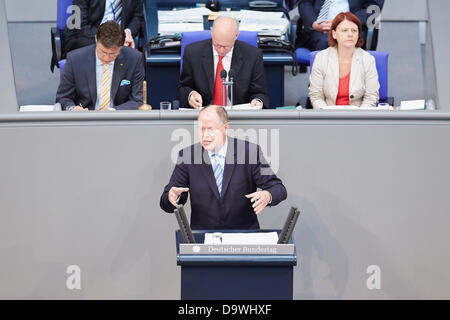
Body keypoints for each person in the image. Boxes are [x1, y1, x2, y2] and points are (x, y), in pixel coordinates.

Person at [160, 106, 287, 230]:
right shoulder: (188, 156)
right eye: (202, 129)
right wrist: (173, 197)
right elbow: (166, 199)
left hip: (243, 237)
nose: (205, 136)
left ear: (225, 128)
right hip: (203, 238)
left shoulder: (250, 152)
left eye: (210, 129)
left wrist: (268, 195)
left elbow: (278, 188)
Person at [178, 16, 269, 109]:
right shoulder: (192, 52)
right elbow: (184, 88)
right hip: (205, 114)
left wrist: (257, 101)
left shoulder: (253, 55)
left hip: (238, 116)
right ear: (212, 32)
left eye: (226, 46)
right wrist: (191, 94)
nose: (221, 51)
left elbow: (259, 93)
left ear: (236, 35)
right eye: (217, 45)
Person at [56, 21, 144, 111]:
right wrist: (73, 108)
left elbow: (137, 101)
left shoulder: (134, 59)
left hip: (118, 119)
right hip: (86, 118)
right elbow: (63, 98)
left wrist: (112, 111)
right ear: (96, 39)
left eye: (112, 54)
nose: (106, 58)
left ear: (121, 47)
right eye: (103, 52)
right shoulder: (75, 59)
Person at [309, 12, 379, 109]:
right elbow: (316, 96)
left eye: (354, 30)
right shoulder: (321, 58)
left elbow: (371, 97)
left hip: (358, 117)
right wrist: (326, 116)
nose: (350, 34)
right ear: (334, 34)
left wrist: (361, 118)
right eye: (344, 30)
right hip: (327, 116)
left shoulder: (367, 59)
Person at [63, 0, 144, 56]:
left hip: (120, 39)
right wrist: (114, 39)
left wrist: (127, 32)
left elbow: (137, 16)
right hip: (87, 36)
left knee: (134, 56)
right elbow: (79, 25)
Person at [298, 0, 385, 51]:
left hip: (352, 26)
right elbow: (304, 3)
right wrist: (314, 24)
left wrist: (346, 21)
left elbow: (374, 8)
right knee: (325, 43)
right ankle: (320, 81)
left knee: (341, 44)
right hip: (320, 28)